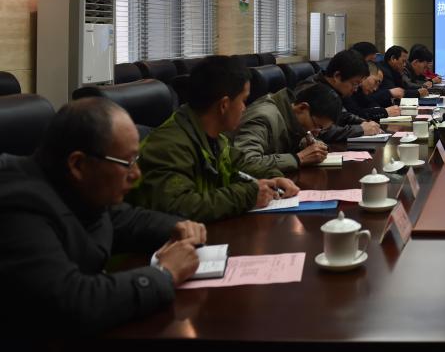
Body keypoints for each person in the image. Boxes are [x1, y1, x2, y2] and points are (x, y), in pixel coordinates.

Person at [0, 98, 205, 335]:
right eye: (127, 163)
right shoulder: (18, 203)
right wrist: (164, 274)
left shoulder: (74, 187)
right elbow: (72, 301)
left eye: (135, 160)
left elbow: (124, 220)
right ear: (78, 164)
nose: (136, 174)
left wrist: (178, 226)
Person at [131, 56, 299, 221]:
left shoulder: (215, 137)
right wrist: (248, 195)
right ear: (224, 105)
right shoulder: (169, 146)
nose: (244, 108)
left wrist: (273, 178)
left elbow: (241, 165)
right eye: (243, 100)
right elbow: (179, 206)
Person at [233, 83, 341, 172]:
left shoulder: (290, 116)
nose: (317, 133)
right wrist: (299, 158)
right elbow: (245, 162)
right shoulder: (263, 117)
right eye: (317, 126)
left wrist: (303, 144)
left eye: (321, 129)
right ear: (302, 107)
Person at [298, 49, 383, 141]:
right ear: (337, 76)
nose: (355, 90)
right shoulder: (313, 90)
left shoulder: (333, 88)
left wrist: (364, 122)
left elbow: (343, 115)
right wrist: (360, 129)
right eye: (354, 84)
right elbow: (320, 131)